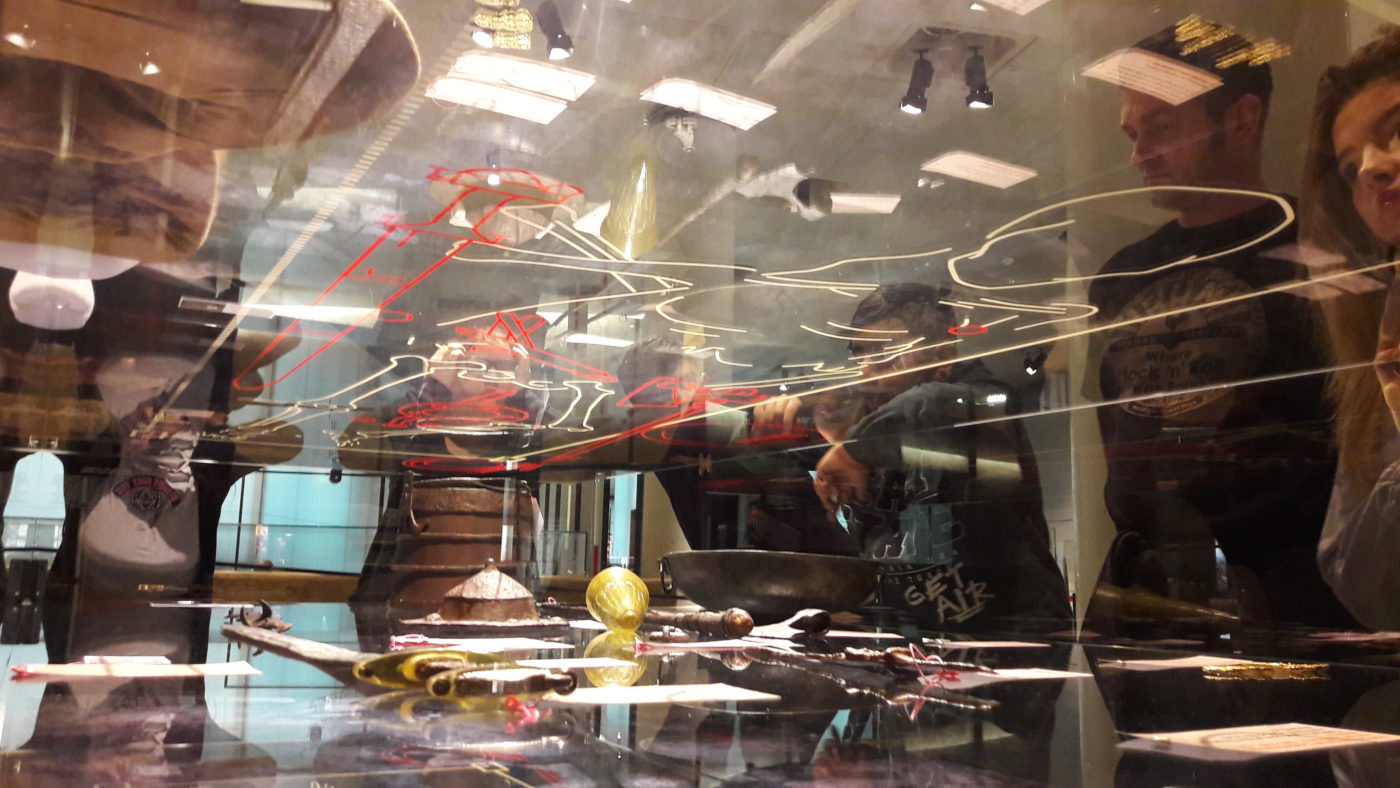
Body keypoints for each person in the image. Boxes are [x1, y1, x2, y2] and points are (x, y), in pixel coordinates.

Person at [1085, 19, 1355, 630]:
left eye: (1161, 126)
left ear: (1242, 118)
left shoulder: (1323, 254)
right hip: (1148, 596)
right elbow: (1115, 438)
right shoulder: (1119, 277)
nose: (1139, 154)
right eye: (1133, 132)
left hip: (1293, 599)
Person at [758, 284, 1071, 633]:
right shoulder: (868, 434)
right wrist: (798, 435)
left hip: (1019, 644)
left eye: (885, 355)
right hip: (919, 647)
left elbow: (930, 405)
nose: (864, 372)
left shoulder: (979, 405)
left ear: (940, 357)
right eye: (860, 357)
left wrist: (854, 447)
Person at [1303, 26, 1400, 630]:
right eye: (1348, 166)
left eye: (1396, 129)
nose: (1371, 167)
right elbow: (1353, 574)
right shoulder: (1380, 337)